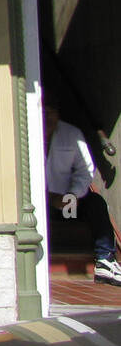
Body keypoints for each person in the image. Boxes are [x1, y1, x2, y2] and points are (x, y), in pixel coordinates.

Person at [44, 95, 121, 287]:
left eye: (51, 111)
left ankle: (105, 260)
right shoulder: (24, 133)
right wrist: (47, 197)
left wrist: (72, 195)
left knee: (96, 202)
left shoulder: (71, 134)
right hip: (36, 201)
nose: (48, 117)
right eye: (44, 111)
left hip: (65, 202)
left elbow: (85, 170)